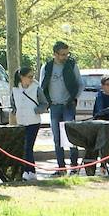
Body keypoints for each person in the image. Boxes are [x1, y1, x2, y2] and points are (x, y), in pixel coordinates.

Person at [38, 41, 80, 169]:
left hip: (68, 106)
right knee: (57, 138)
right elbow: (41, 86)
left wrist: (74, 98)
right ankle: (61, 167)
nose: (65, 57)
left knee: (72, 137)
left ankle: (74, 165)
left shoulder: (72, 65)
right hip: (54, 106)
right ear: (55, 54)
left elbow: (80, 83)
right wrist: (46, 102)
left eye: (67, 54)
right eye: (62, 54)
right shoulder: (47, 67)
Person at [12, 66, 44, 180]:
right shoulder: (15, 89)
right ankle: (29, 171)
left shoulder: (36, 88)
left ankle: (29, 171)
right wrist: (15, 111)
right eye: (29, 77)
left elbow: (44, 103)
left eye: (32, 76)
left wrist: (36, 110)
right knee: (24, 147)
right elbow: (13, 103)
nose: (31, 79)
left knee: (28, 147)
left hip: (33, 122)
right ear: (22, 77)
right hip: (21, 121)